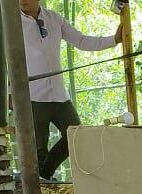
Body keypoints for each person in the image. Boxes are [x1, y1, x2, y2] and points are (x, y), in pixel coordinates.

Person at [18, 1, 124, 182]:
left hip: (59, 94)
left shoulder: (54, 18)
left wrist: (113, 39)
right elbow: (5, 59)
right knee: (37, 149)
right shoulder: (12, 23)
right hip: (32, 95)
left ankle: (44, 177)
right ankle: (41, 192)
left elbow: (81, 41)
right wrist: (10, 93)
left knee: (77, 135)